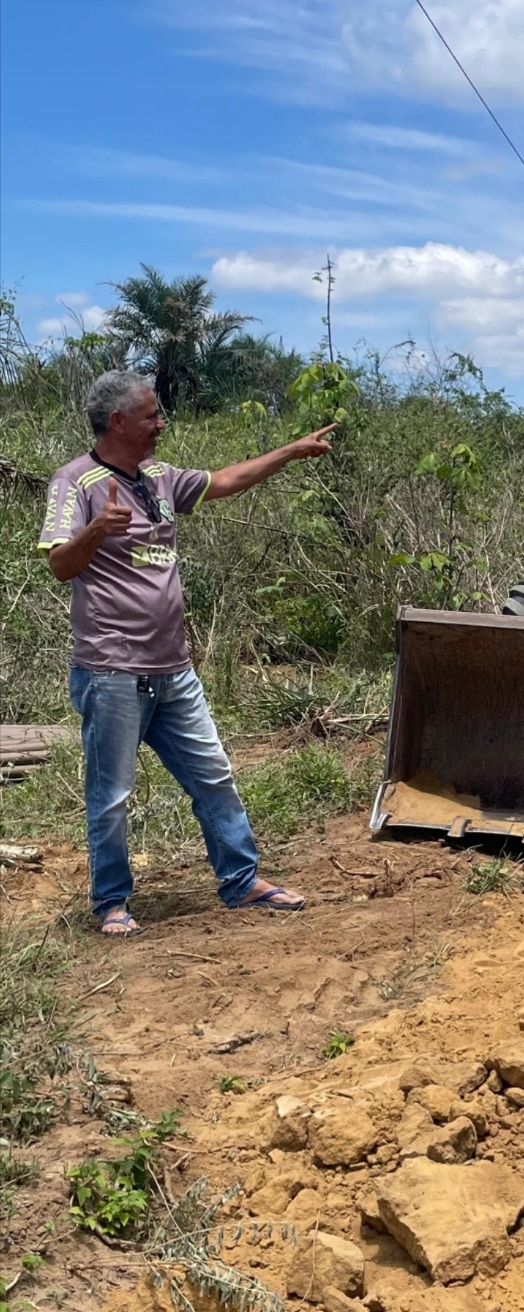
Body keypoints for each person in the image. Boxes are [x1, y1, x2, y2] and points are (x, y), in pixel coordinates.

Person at [38, 369, 336, 936]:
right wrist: (96, 530)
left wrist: (291, 452)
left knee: (214, 777)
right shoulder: (74, 483)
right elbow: (59, 566)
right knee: (111, 796)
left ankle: (241, 880)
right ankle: (111, 903)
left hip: (173, 669)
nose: (161, 423)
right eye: (151, 415)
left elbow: (223, 480)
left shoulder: (157, 476)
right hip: (113, 670)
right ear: (119, 421)